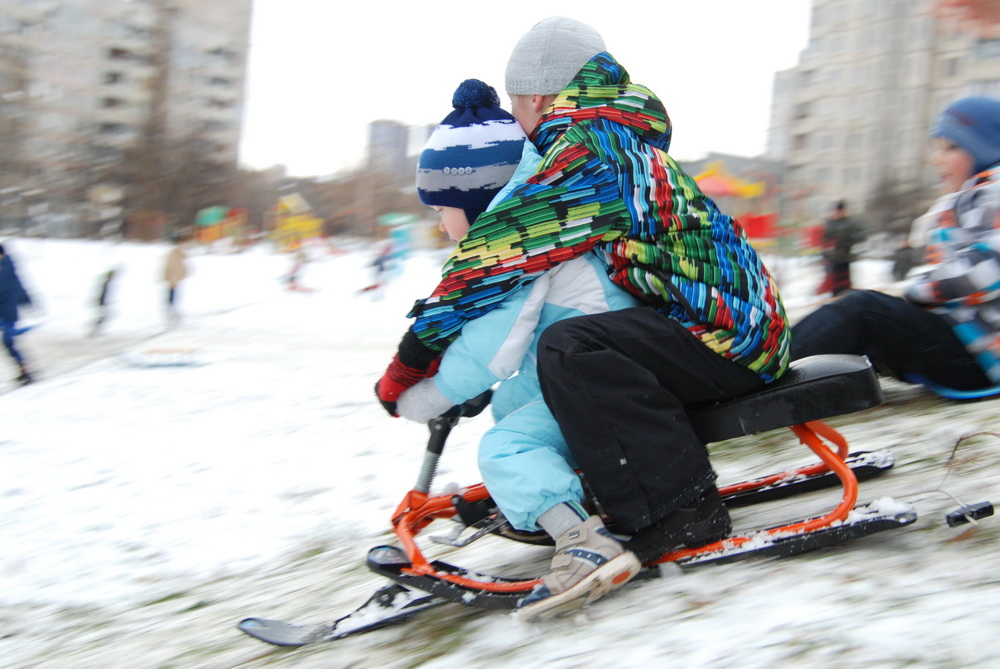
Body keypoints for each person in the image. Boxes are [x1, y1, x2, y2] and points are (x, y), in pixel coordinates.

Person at [376, 18, 790, 613]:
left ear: (538, 97)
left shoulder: (589, 151)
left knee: (573, 347)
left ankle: (678, 510)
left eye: (516, 104)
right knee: (560, 366)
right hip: (727, 327)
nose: (516, 123)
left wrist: (411, 363)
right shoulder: (609, 138)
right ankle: (580, 490)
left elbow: (493, 262)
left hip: (728, 337)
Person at [390, 77, 643, 621]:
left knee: (503, 449)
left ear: (475, 199)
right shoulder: (538, 233)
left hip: (605, 377)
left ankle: (583, 542)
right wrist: (478, 392)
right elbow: (518, 351)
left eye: (441, 208)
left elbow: (493, 349)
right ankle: (566, 499)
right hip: (604, 369)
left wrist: (424, 397)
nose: (439, 222)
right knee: (510, 410)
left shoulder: (518, 253)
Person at [791, 95, 1000, 393]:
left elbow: (988, 267)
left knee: (863, 310)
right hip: (969, 347)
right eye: (936, 148)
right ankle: (806, 379)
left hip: (978, 354)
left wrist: (918, 291)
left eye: (951, 147)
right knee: (870, 318)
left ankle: (761, 372)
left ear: (987, 147)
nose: (936, 159)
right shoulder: (975, 196)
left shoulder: (993, 192)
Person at [0, 243, 34, 385]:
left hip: (8, 313)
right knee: (8, 342)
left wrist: (27, 301)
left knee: (8, 341)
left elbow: (18, 286)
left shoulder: (8, 268)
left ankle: (23, 370)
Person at [820, 200, 865, 296]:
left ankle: (845, 297)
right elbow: (825, 239)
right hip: (833, 258)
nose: (840, 213)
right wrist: (826, 253)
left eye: (842, 211)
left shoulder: (851, 223)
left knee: (845, 283)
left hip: (845, 257)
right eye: (839, 211)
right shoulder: (831, 224)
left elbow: (861, 236)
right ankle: (836, 298)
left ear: (845, 210)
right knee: (834, 283)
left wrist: (852, 241)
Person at [162, 237, 188, 326]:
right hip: (175, 281)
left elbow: (167, 267)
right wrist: (181, 277)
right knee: (173, 298)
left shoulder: (171, 256)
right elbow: (184, 269)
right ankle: (174, 313)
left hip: (172, 281)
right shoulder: (179, 257)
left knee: (170, 299)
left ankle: (173, 313)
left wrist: (165, 277)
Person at [90, 268, 117, 336]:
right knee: (102, 317)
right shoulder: (106, 283)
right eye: (112, 276)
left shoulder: (107, 283)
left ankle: (95, 330)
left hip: (103, 302)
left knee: (103, 317)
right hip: (102, 303)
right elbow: (102, 293)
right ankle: (94, 331)